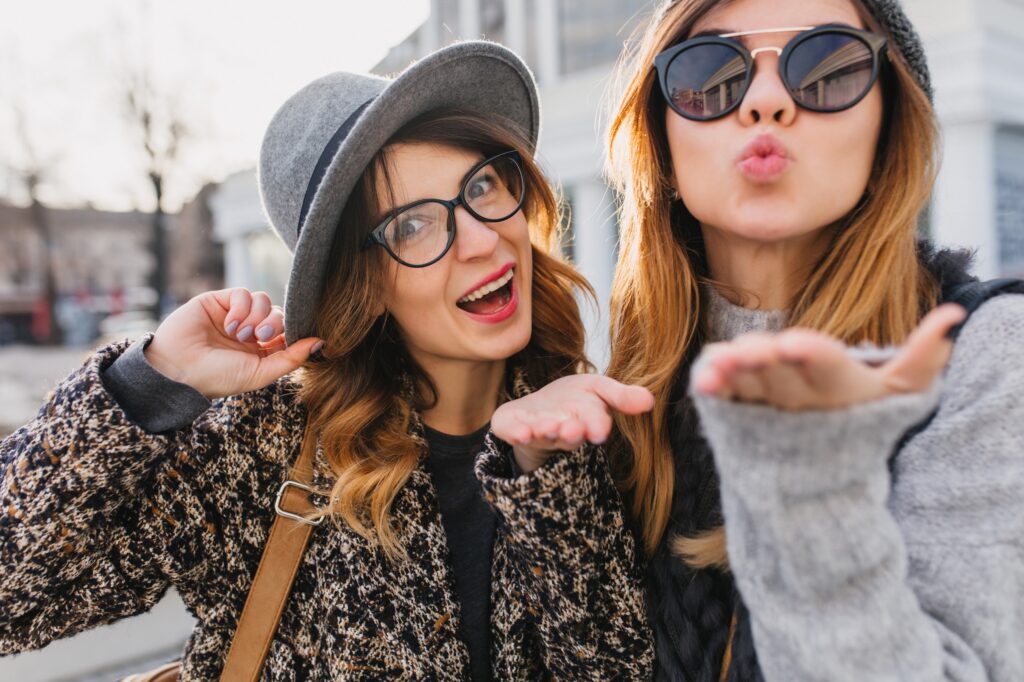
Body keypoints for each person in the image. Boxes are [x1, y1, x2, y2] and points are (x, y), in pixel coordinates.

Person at [0, 42, 655, 679]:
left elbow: (616, 666)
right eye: (412, 225)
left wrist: (545, 475)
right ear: (361, 283)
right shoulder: (261, 448)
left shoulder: (587, 426)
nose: (484, 240)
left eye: (481, 185)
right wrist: (147, 382)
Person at [568, 0, 1022, 679]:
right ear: (660, 139)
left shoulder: (986, 354)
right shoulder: (635, 388)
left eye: (827, 69)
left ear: (888, 124)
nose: (766, 101)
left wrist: (811, 480)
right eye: (710, 75)